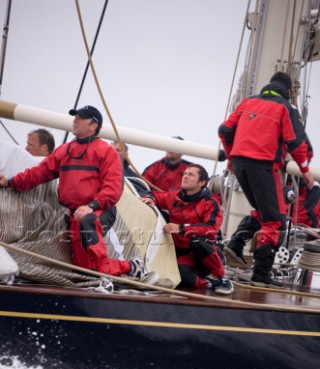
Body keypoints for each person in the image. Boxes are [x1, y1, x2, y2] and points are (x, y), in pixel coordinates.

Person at [0, 105, 145, 279]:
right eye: (75, 116)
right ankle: (131, 267)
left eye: (80, 117)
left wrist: (91, 207)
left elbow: (113, 189)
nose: (75, 120)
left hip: (97, 211)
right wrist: (10, 182)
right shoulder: (65, 150)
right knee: (83, 268)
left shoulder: (107, 152)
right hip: (75, 213)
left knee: (89, 236)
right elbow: (39, 173)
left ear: (93, 125)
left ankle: (126, 268)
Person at [218, 71, 315, 287]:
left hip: (241, 165)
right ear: (289, 92)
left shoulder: (247, 102)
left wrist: (231, 156)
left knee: (264, 212)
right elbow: (297, 143)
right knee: (275, 220)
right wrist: (306, 170)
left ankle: (236, 243)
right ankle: (261, 274)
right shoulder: (285, 108)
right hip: (263, 166)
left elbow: (224, 130)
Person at [141, 164, 233, 294]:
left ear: (201, 182)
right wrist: (150, 198)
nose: (185, 176)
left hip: (206, 254)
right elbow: (156, 196)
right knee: (179, 274)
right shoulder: (174, 196)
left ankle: (222, 278)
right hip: (184, 255)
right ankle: (209, 283)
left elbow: (212, 228)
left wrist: (182, 228)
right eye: (184, 174)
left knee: (197, 241)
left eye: (190, 175)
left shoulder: (210, 202)